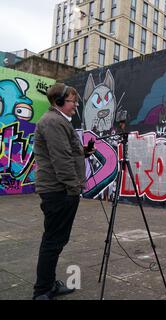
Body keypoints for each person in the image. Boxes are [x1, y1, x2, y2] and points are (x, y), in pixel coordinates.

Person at [32, 83, 95, 300]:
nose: (76, 105)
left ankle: (47, 284)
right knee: (53, 240)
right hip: (59, 191)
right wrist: (74, 188)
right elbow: (61, 160)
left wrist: (83, 152)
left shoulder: (57, 121)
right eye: (72, 101)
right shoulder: (53, 122)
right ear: (58, 102)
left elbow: (65, 153)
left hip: (61, 189)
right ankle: (42, 291)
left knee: (56, 239)